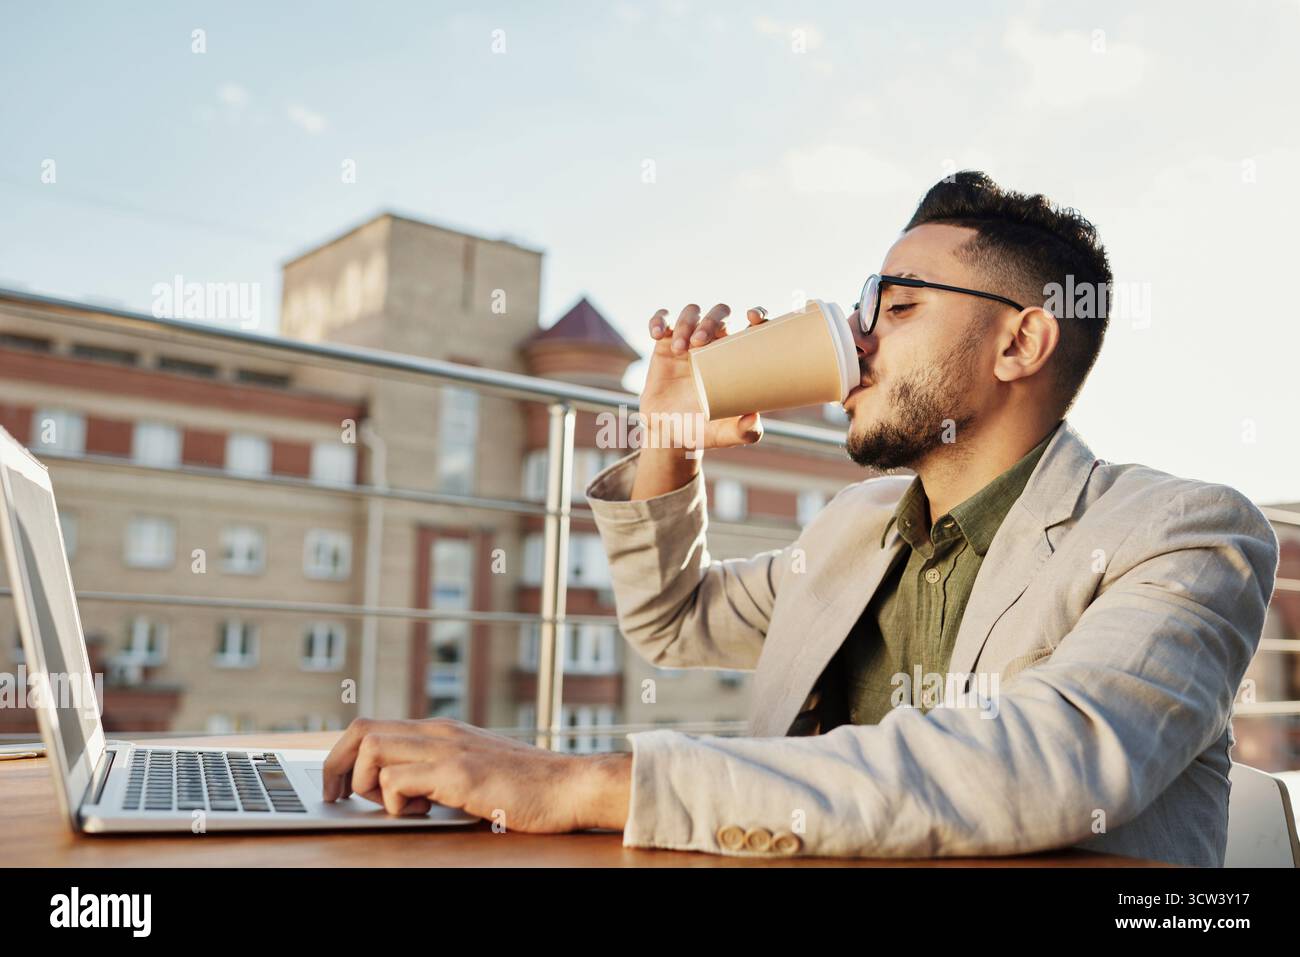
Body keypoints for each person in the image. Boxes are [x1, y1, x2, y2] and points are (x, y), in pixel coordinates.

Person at [321, 171, 1278, 866]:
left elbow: (1050, 766)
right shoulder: (855, 525)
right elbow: (674, 621)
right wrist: (671, 438)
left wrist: (577, 780)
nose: (855, 341)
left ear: (1022, 339)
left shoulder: (1185, 531)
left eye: (897, 307)